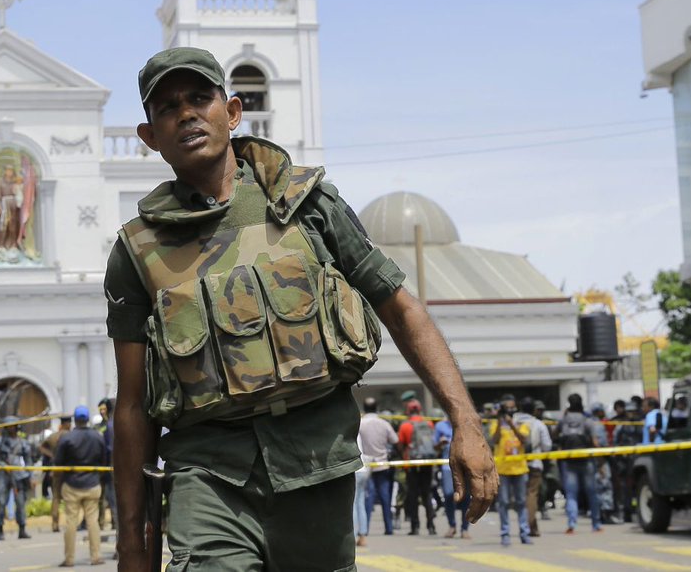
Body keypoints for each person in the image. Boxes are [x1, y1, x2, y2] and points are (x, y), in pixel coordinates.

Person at [106, 47, 498, 571]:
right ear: (150, 136)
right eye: (167, 108)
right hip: (207, 476)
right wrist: (131, 543)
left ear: (234, 111)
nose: (186, 114)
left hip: (315, 468)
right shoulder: (137, 251)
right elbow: (131, 405)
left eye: (201, 98)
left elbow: (400, 309)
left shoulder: (307, 206)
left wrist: (465, 424)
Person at [55, 405, 109, 567]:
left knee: (71, 522)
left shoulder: (67, 438)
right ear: (87, 419)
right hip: (92, 483)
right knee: (92, 521)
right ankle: (96, 556)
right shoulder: (98, 436)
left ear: (75, 420)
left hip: (72, 484)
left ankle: (69, 559)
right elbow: (104, 461)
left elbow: (58, 462)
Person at [553, 394, 601, 534]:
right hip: (587, 461)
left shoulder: (564, 420)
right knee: (592, 493)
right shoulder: (587, 420)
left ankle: (572, 524)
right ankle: (596, 524)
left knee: (571, 494)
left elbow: (554, 436)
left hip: (569, 461)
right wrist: (601, 460)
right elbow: (595, 443)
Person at [489, 396, 531, 546]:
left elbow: (524, 439)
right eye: (507, 408)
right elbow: (494, 440)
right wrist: (501, 422)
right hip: (503, 470)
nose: (510, 410)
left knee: (521, 502)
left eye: (512, 407)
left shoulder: (521, 422)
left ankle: (524, 533)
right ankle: (505, 533)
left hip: (519, 468)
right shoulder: (495, 423)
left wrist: (511, 424)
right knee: (504, 503)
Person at [359, 397, 400, 536]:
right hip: (382, 464)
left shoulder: (360, 424)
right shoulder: (384, 423)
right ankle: (388, 528)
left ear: (364, 409)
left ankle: (365, 529)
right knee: (385, 496)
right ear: (376, 408)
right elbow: (395, 440)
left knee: (368, 497)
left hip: (366, 464)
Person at [396, 399, 438, 535]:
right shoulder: (429, 423)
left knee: (413, 495)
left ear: (408, 411)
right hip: (427, 462)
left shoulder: (405, 425)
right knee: (427, 494)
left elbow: (400, 444)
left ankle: (415, 526)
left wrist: (404, 457)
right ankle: (431, 525)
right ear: (420, 410)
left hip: (411, 463)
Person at [0, 416, 33, 541]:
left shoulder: (22, 442)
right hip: (4, 475)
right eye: (8, 426)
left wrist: (29, 474)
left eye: (13, 426)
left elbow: (28, 460)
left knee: (20, 503)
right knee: (2, 502)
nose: (11, 429)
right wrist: (3, 465)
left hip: (19, 476)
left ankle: (22, 528)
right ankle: (0, 529)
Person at [513, 397, 550, 537]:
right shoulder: (538, 424)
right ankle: (529, 525)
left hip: (514, 463)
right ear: (534, 409)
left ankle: (530, 526)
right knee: (531, 495)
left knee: (519, 496)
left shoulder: (513, 422)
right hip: (534, 463)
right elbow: (547, 446)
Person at [433, 410, 470, 539]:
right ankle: (452, 526)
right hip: (447, 466)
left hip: (465, 467)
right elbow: (435, 447)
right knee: (449, 495)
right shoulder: (440, 426)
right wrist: (440, 443)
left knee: (465, 497)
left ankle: (464, 529)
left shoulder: (466, 426)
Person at [40, 415, 73, 532]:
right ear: (68, 424)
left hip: (56, 469)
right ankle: (71, 523)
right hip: (69, 470)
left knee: (56, 498)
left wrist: (52, 455)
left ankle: (55, 524)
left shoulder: (53, 436)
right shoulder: (70, 436)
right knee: (70, 497)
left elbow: (42, 447)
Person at [612, 400, 643, 522]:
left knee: (638, 485)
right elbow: (616, 440)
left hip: (638, 458)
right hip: (624, 460)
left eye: (633, 411)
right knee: (625, 487)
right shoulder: (622, 424)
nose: (631, 414)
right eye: (629, 411)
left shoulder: (640, 424)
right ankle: (627, 512)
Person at [589, 404, 615, 524]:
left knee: (597, 486)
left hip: (591, 460)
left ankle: (598, 513)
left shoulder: (589, 423)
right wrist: (601, 463)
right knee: (605, 485)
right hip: (600, 460)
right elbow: (598, 444)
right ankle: (606, 513)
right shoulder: (598, 425)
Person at [97, 398, 117, 530]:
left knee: (112, 495)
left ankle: (115, 521)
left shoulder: (110, 425)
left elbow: (109, 448)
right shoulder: (101, 426)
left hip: (110, 465)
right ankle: (104, 521)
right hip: (109, 466)